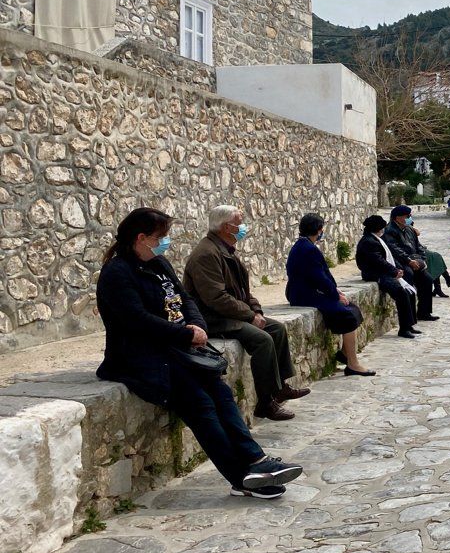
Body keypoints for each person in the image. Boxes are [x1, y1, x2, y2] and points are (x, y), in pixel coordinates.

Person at [96, 207, 304, 499]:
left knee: (220, 394)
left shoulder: (159, 263)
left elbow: (186, 299)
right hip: (142, 357)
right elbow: (136, 320)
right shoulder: (117, 274)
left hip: (179, 350)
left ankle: (256, 461)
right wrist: (185, 333)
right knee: (200, 406)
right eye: (161, 237)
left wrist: (195, 324)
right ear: (141, 237)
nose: (165, 242)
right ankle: (241, 476)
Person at [183, 205, 308, 422]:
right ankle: (266, 402)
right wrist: (250, 316)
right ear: (225, 227)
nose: (242, 227)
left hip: (231, 313)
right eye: (238, 223)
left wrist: (256, 310)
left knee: (277, 328)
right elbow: (216, 298)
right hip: (213, 318)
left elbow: (244, 291)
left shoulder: (225, 249)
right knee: (262, 340)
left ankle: (279, 387)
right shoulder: (206, 254)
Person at [285, 213, 375, 377]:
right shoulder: (308, 249)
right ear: (319, 230)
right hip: (306, 295)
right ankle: (353, 364)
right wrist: (334, 295)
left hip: (306, 291)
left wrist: (336, 290)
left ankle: (345, 353)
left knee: (353, 308)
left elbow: (321, 276)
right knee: (347, 315)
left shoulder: (303, 245)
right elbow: (318, 278)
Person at [356, 214, 420, 338]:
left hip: (384, 271)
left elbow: (388, 256)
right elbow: (378, 261)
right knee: (401, 293)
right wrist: (394, 271)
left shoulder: (376, 239)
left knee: (409, 291)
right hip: (375, 274)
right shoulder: (369, 242)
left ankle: (409, 324)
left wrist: (397, 269)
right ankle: (404, 329)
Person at [383, 205, 450, 318]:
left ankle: (424, 312)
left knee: (427, 280)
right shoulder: (390, 231)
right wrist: (409, 261)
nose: (409, 218)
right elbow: (395, 250)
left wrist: (422, 260)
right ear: (398, 217)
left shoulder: (409, 229)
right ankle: (410, 316)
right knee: (408, 279)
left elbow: (418, 246)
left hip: (415, 261)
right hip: (402, 263)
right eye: (407, 216)